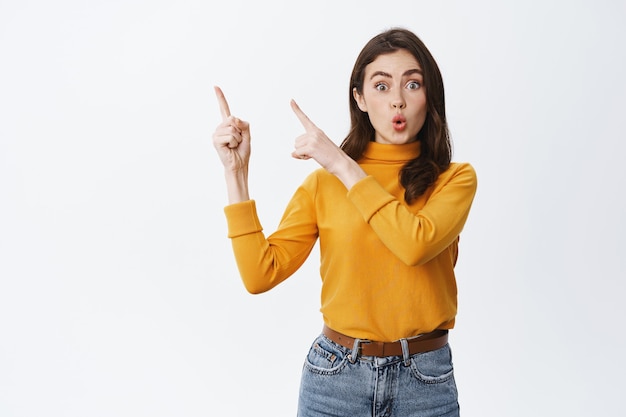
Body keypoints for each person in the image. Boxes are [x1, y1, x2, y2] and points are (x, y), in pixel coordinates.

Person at [212, 27, 477, 417]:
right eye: (382, 86)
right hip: (335, 378)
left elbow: (414, 245)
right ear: (360, 98)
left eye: (413, 84)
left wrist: (340, 163)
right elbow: (259, 274)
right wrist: (236, 173)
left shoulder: (453, 179)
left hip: (425, 382)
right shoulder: (324, 184)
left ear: (429, 95)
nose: (398, 101)